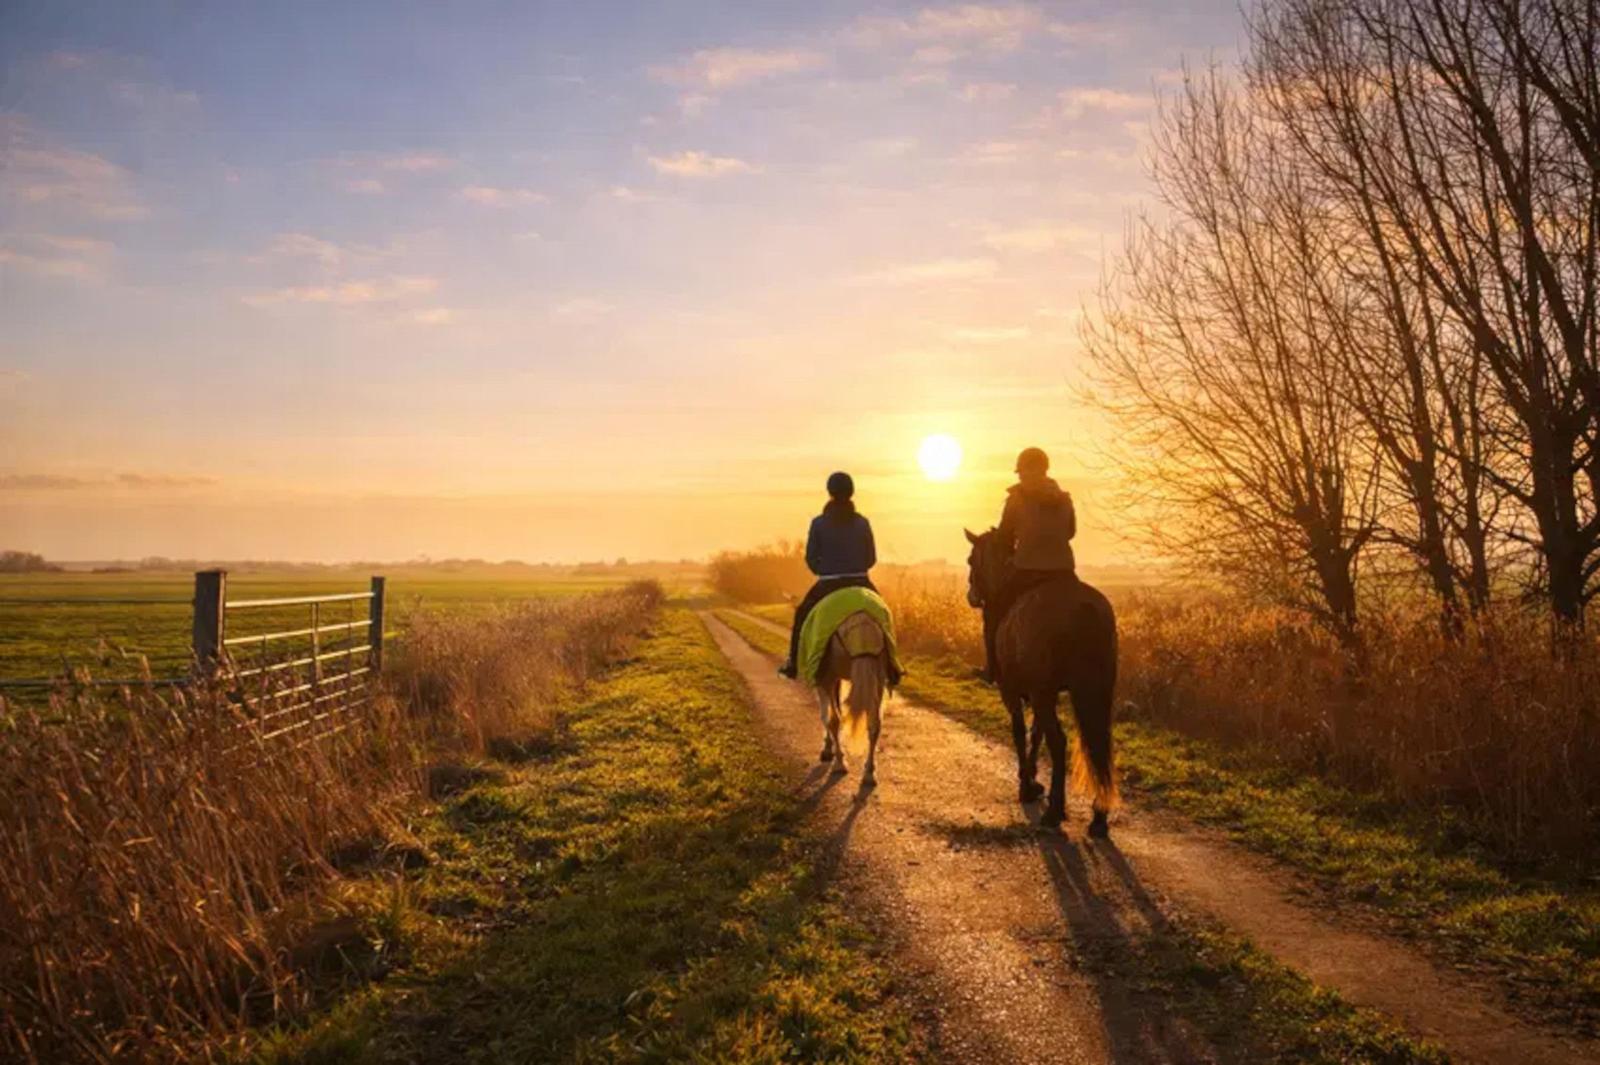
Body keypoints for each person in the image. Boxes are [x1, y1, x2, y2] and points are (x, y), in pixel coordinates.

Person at [979, 447, 1077, 685]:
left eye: (1022, 471)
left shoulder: (1017, 498)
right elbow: (1071, 532)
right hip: (1064, 571)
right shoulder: (1064, 498)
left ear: (1031, 470)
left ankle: (992, 667)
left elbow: (1003, 537)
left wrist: (1017, 548)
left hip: (1028, 570)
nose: (1020, 476)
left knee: (995, 609)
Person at [779, 471, 877, 679]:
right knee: (884, 614)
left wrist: (824, 569)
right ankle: (894, 667)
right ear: (851, 493)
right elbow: (871, 558)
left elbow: (811, 559)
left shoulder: (818, 523)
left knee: (802, 615)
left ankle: (793, 663)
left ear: (830, 493)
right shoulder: (862, 523)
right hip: (861, 582)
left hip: (828, 584)